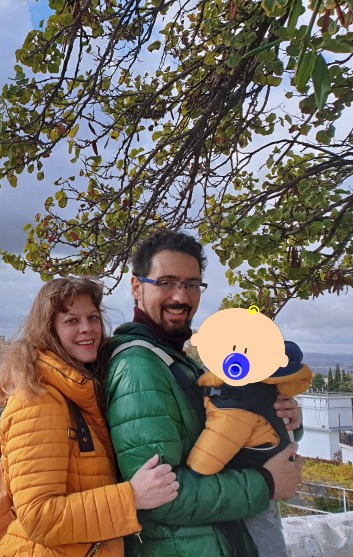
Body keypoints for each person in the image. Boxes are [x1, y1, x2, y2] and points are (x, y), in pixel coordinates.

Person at [103, 230, 304, 557]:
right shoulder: (140, 367)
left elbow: (227, 433)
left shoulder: (176, 360)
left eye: (192, 284)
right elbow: (161, 499)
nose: (181, 297)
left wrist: (283, 415)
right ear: (136, 287)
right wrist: (265, 484)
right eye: (166, 282)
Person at [0, 276, 180, 557]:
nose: (87, 329)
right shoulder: (38, 401)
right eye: (71, 320)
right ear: (48, 330)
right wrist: (131, 497)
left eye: (93, 317)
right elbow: (40, 517)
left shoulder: (76, 389)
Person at [187, 340, 312, 557]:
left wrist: (194, 471)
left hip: (250, 482)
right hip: (253, 482)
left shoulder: (235, 395)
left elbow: (218, 440)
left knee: (263, 528)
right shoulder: (254, 389)